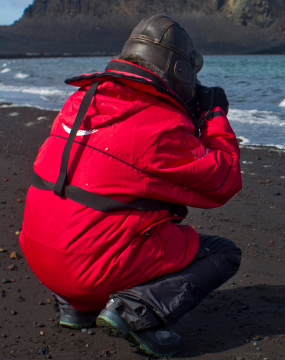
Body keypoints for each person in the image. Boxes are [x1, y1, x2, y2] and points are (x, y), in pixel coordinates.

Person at [19, 14, 242, 358]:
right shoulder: (157, 123)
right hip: (86, 268)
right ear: (178, 72)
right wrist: (213, 117)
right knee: (223, 253)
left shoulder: (80, 102)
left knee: (91, 203)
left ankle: (76, 308)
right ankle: (135, 309)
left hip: (41, 256)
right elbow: (223, 180)